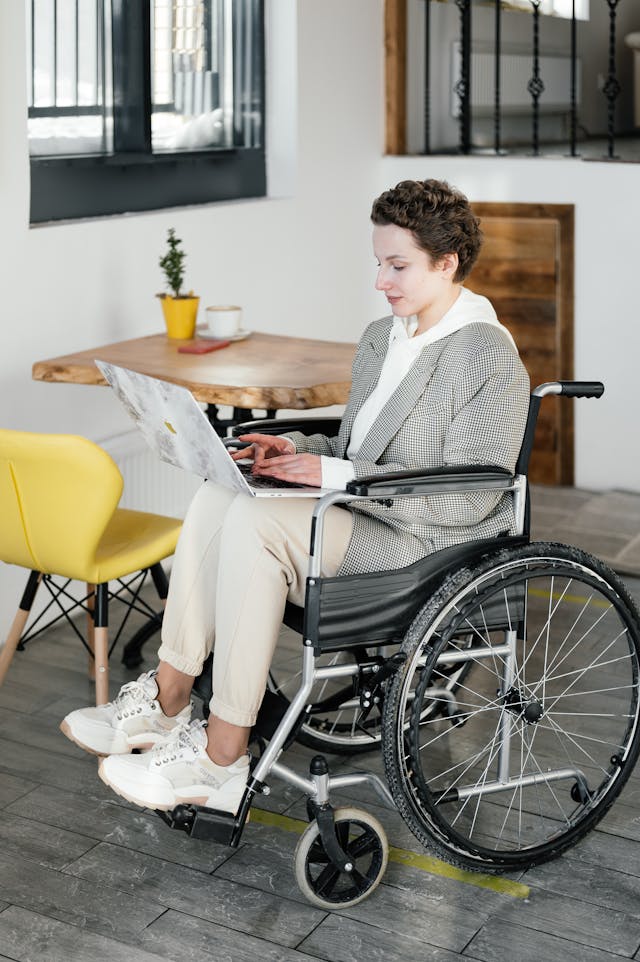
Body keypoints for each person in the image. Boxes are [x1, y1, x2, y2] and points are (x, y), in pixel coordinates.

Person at [61, 178, 530, 816]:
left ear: (446, 264)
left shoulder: (486, 355)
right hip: (363, 511)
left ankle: (223, 756)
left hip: (426, 540)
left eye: (398, 266)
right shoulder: (383, 339)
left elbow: (463, 496)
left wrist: (332, 478)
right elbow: (358, 441)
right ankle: (167, 703)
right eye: (378, 263)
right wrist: (293, 449)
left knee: (256, 521)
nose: (381, 281)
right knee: (220, 495)